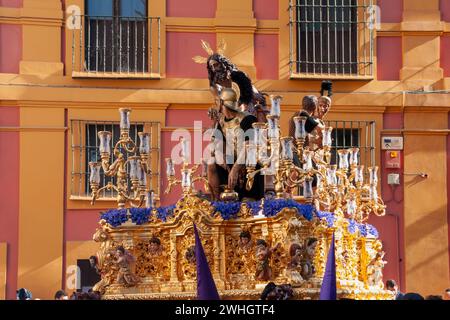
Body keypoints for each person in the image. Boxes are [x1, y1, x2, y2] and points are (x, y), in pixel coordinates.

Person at [207, 87, 264, 201]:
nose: (215, 104)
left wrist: (235, 169)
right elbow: (215, 144)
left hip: (249, 162)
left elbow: (249, 147)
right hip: (231, 162)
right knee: (211, 163)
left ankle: (249, 197)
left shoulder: (247, 119)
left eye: (217, 101)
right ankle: (216, 201)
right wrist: (222, 159)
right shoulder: (222, 121)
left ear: (222, 103)